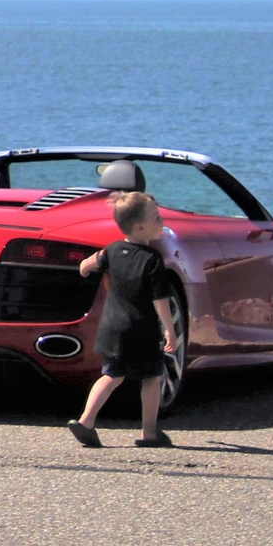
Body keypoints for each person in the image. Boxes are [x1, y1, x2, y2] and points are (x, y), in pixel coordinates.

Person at [66, 190, 176, 449]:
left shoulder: (113, 250)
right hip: (141, 330)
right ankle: (149, 432)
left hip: (112, 327)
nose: (162, 222)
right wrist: (170, 330)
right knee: (151, 378)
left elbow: (90, 263)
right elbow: (160, 300)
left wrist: (83, 267)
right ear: (140, 227)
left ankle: (85, 421)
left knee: (111, 375)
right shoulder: (152, 259)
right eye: (157, 218)